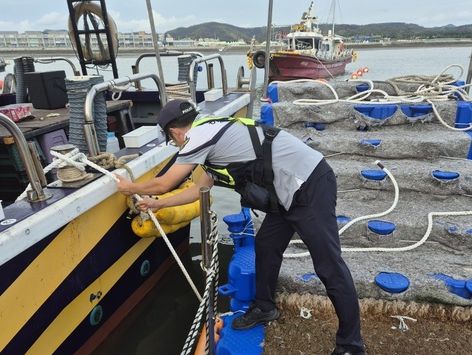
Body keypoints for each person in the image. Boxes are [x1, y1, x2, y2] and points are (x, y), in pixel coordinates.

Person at [116, 99, 365, 355]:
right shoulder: (212, 138)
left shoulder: (200, 135)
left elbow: (163, 182)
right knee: (266, 247)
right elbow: (196, 191)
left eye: (172, 139)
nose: (176, 144)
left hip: (310, 185)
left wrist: (130, 188)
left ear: (175, 132)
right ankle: (265, 307)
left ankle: (351, 345)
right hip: (285, 193)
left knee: (329, 266)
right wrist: (156, 204)